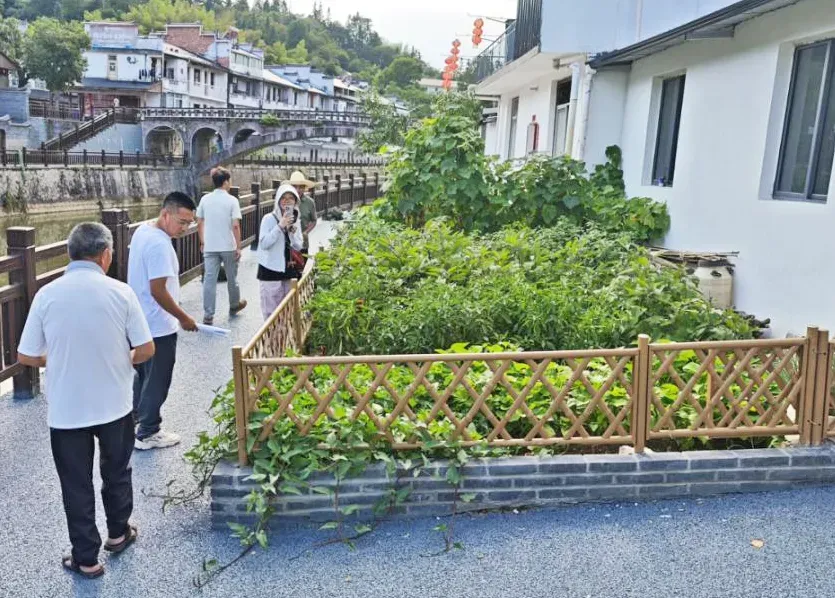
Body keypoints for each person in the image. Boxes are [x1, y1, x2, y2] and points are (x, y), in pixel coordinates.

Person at [17, 223, 155, 579]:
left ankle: (87, 559)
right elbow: (146, 348)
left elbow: (26, 355)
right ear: (105, 254)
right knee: (117, 471)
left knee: (75, 483)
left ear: (70, 253)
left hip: (67, 409)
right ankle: (118, 534)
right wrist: (122, 358)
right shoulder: (121, 292)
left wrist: (56, 360)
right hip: (115, 403)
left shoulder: (47, 295)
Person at [128, 191, 198, 450]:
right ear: (165, 214)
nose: (185, 228)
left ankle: (134, 420)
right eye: (181, 222)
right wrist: (184, 317)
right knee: (158, 379)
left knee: (143, 375)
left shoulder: (143, 231)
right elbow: (158, 290)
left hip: (140, 320)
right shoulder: (159, 244)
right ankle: (148, 431)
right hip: (158, 324)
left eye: (189, 223)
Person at [197, 166, 247, 325]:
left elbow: (199, 222)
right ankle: (234, 305)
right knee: (232, 278)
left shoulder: (205, 199)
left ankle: (208, 315)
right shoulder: (232, 200)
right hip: (228, 246)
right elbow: (235, 225)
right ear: (226, 182)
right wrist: (238, 246)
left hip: (210, 246)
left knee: (209, 280)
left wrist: (202, 241)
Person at [257, 184, 303, 320]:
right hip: (270, 271)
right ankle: (272, 335)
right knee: (271, 314)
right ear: (278, 200)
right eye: (283, 198)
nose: (287, 201)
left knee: (288, 312)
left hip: (289, 270)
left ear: (295, 201)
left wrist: (291, 230)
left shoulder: (295, 220)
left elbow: (298, 245)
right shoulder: (268, 219)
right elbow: (264, 243)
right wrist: (280, 226)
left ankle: (285, 335)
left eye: (291, 198)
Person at [285, 170, 318, 254]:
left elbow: (314, 220)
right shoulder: (284, 201)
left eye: (301, 187)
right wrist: (294, 232)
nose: (298, 190)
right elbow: (282, 221)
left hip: (303, 241)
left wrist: (305, 232)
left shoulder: (310, 202)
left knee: (303, 261)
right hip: (286, 242)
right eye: (295, 187)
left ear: (304, 188)